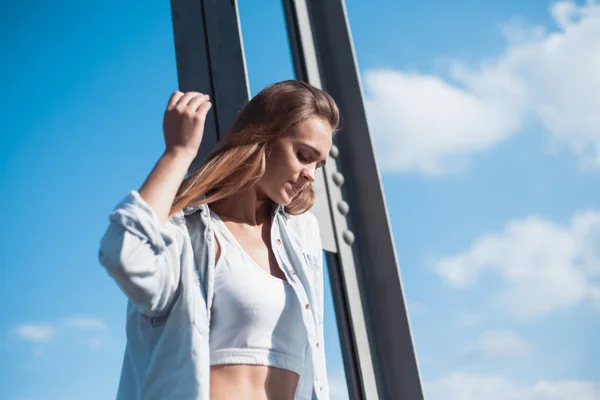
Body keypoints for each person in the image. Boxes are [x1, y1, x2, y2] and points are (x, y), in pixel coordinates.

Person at [98, 80, 339, 400]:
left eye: (317, 164)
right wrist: (178, 153)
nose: (310, 173)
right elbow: (123, 254)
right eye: (303, 154)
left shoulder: (302, 235)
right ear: (262, 136)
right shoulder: (187, 232)